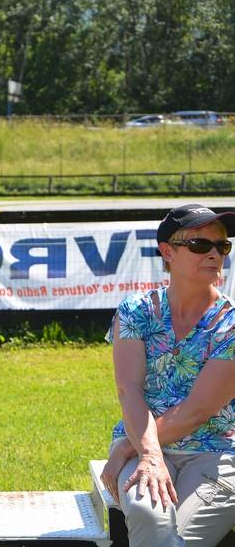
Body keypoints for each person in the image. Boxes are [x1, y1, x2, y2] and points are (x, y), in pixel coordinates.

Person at [100, 204, 235, 547]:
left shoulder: (231, 323)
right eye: (200, 245)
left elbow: (197, 411)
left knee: (178, 539)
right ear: (167, 252)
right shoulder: (136, 311)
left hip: (215, 452)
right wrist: (149, 454)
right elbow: (128, 389)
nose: (214, 254)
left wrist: (132, 448)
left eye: (222, 246)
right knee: (148, 515)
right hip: (143, 446)